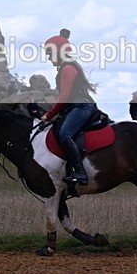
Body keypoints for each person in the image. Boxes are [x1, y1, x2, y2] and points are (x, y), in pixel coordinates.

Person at [40, 31, 97, 186]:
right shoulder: (64, 68)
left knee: (65, 134)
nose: (48, 57)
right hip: (75, 106)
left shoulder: (67, 69)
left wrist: (48, 115)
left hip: (81, 105)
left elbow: (64, 97)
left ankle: (80, 172)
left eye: (49, 53)